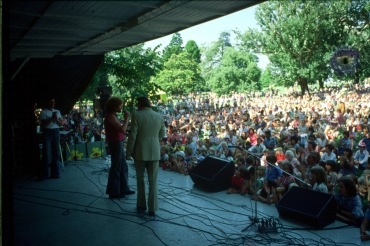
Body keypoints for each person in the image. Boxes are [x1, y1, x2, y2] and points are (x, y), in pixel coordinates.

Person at [126, 96, 166, 216]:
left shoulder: (136, 115)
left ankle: (141, 205)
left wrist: (128, 152)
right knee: (153, 181)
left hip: (140, 151)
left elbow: (133, 136)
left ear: (140, 104)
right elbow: (162, 134)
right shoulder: (159, 116)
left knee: (140, 179)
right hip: (154, 151)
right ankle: (153, 208)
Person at [104, 97, 133, 199]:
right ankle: (114, 191)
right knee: (116, 167)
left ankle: (123, 188)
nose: (121, 106)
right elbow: (122, 129)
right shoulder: (111, 116)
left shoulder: (113, 116)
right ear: (115, 106)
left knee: (123, 166)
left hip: (118, 142)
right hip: (115, 143)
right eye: (120, 105)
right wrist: (126, 118)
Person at [39, 97, 64, 179]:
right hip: (47, 132)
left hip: (56, 131)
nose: (53, 104)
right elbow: (44, 124)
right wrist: (52, 118)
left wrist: (56, 118)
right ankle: (44, 174)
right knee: (46, 153)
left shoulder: (57, 111)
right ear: (47, 103)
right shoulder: (44, 112)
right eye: (51, 102)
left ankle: (55, 173)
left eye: (54, 102)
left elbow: (61, 124)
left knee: (56, 153)